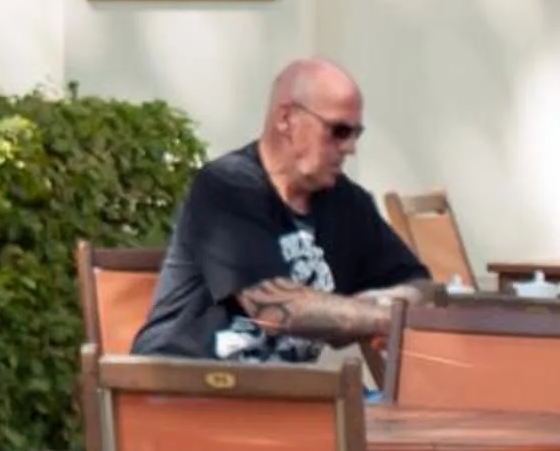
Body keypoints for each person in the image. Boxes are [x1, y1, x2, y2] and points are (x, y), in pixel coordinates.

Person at [133, 57, 427, 361]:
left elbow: (420, 286)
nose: (350, 147)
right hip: (186, 387)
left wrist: (375, 306)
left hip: (279, 396)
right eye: (339, 131)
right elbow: (275, 310)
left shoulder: (346, 202)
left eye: (355, 133)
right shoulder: (227, 187)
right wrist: (381, 317)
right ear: (286, 119)